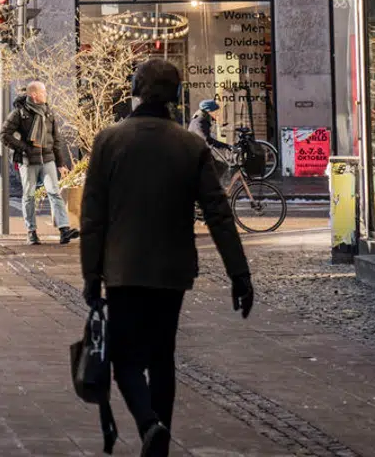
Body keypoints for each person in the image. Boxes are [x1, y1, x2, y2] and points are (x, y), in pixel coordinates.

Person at [82, 59, 253, 457]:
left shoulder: (109, 140)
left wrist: (91, 274)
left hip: (122, 268)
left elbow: (92, 216)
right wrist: (239, 274)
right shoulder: (190, 144)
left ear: (135, 90)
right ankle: (160, 439)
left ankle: (148, 424)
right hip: (172, 270)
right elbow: (218, 214)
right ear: (176, 96)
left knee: (124, 358)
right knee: (162, 356)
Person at [1, 81, 78, 246]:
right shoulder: (19, 113)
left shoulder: (48, 112)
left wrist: (60, 163)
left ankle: (64, 230)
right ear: (34, 95)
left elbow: (55, 139)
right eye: (43, 92)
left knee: (54, 193)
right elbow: (4, 134)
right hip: (28, 161)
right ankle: (31, 232)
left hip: (48, 159)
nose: (46, 94)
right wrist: (24, 148)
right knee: (29, 196)